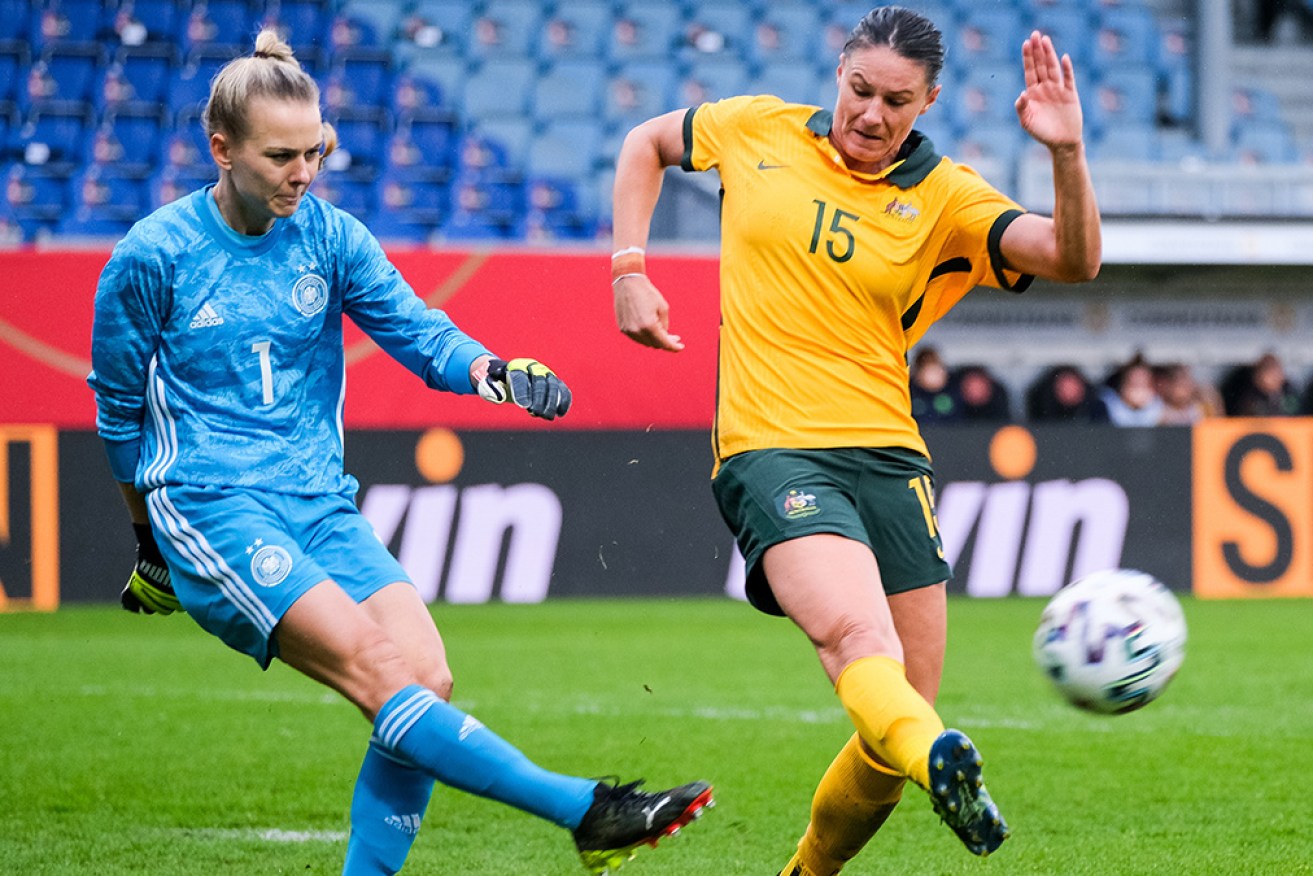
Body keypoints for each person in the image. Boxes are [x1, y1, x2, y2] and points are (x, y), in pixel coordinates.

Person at [87, 30, 711, 876]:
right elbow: (119, 413)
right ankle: (583, 809)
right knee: (382, 673)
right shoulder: (150, 258)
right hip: (211, 505)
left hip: (320, 505)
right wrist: (148, 540)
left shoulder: (329, 236)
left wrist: (492, 370)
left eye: (314, 153)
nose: (301, 173)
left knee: (425, 677)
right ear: (221, 149)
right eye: (280, 156)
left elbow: (417, 333)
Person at [610, 7, 1101, 874]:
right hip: (771, 447)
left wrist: (1064, 152)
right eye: (859, 90)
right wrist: (628, 268)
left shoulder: (946, 193)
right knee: (855, 645)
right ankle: (942, 759)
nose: (871, 114)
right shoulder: (754, 125)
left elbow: (1071, 258)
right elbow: (645, 143)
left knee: (896, 713)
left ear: (928, 102)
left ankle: (814, 865)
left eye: (896, 102)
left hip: (889, 456)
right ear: (838, 73)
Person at [1026, 364, 1109, 423]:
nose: (1069, 391)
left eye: (1072, 387)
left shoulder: (1097, 408)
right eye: (1064, 387)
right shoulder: (1040, 408)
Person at [1097, 354, 1164, 427]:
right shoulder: (1106, 407)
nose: (1138, 390)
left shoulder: (1162, 411)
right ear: (1122, 386)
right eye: (1133, 384)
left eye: (1143, 384)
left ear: (1152, 388)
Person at [1154, 362, 1222, 425]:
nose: (1187, 385)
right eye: (1179, 383)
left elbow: (1218, 425)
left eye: (1186, 379)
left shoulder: (1204, 403)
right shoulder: (1159, 408)